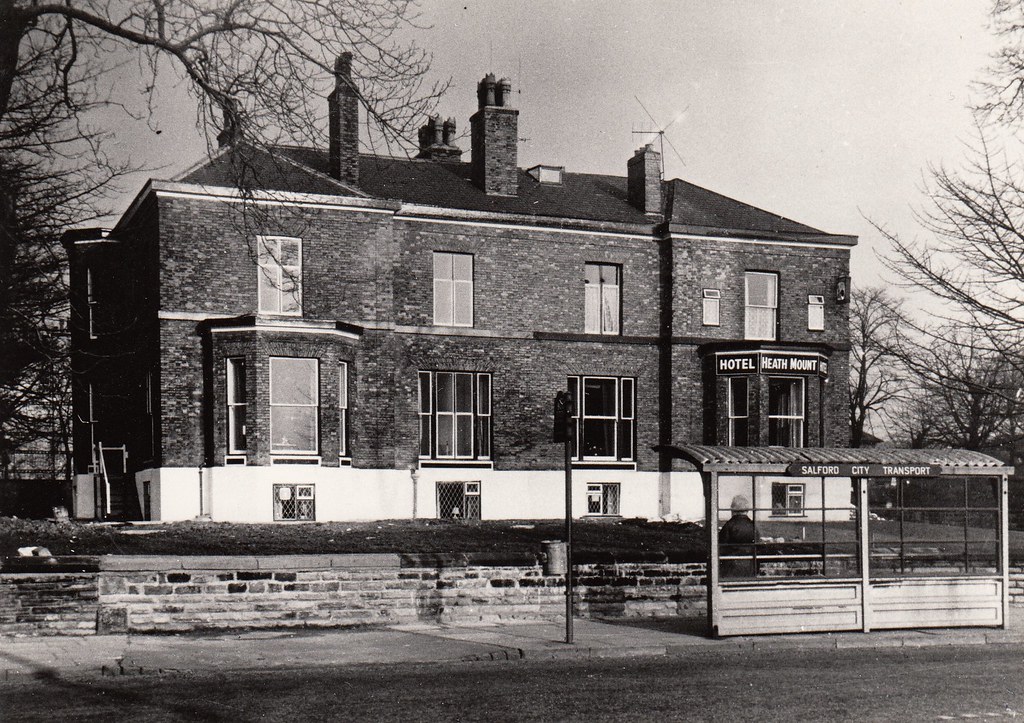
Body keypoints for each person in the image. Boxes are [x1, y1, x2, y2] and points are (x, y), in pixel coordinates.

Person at [719, 495, 755, 578]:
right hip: (749, 563)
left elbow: (722, 544)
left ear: (734, 509)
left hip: (731, 564)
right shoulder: (752, 525)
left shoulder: (729, 525)